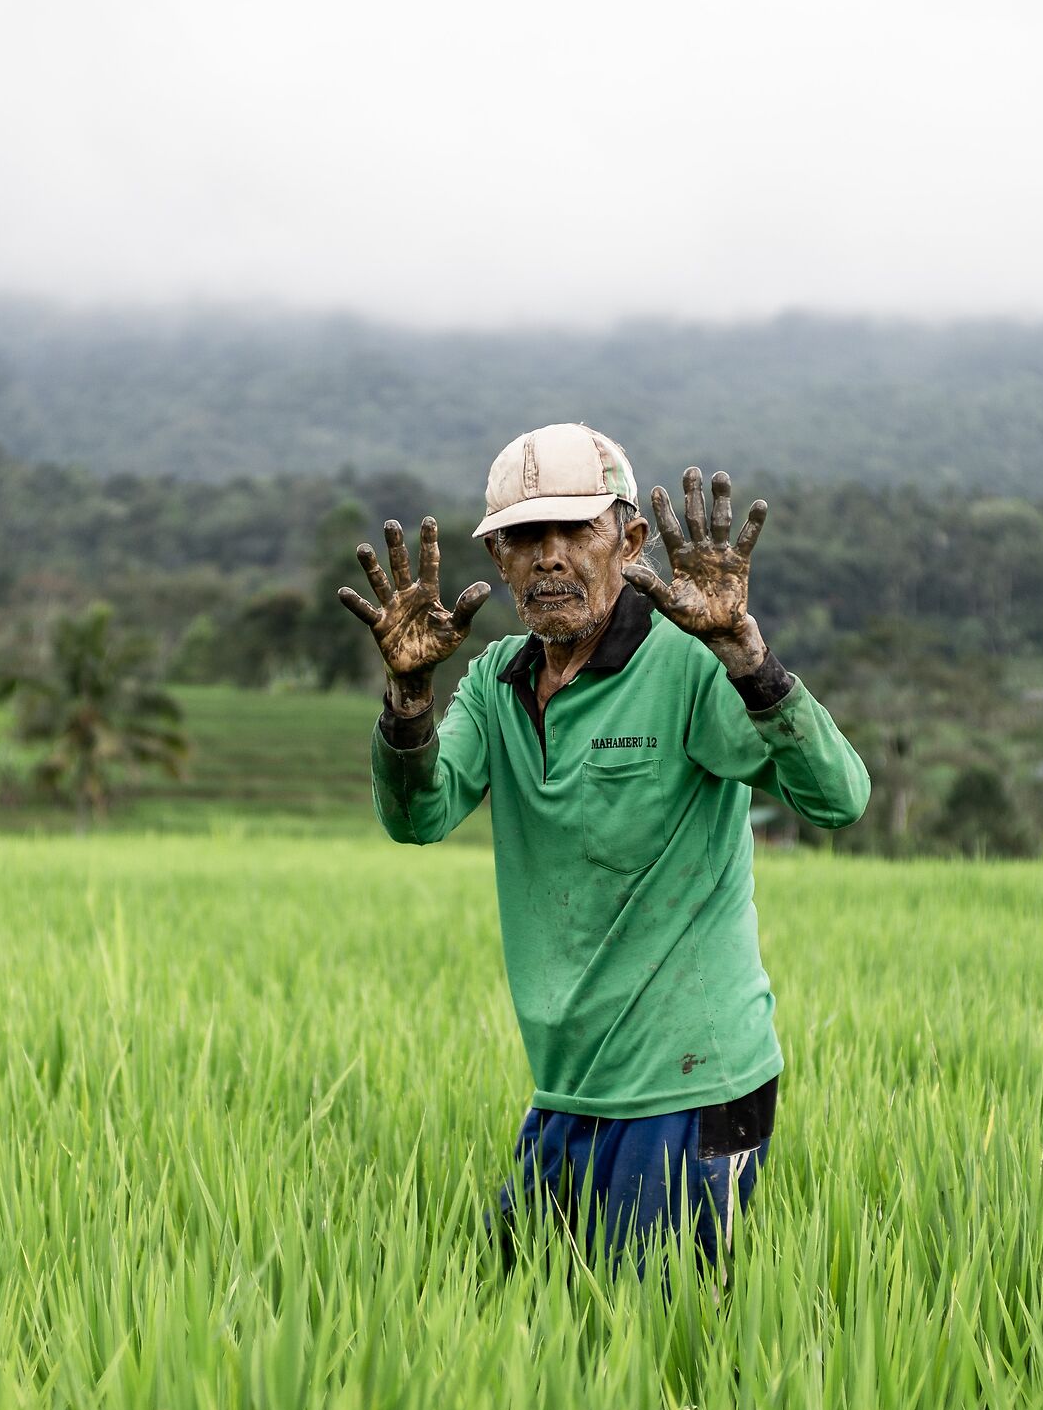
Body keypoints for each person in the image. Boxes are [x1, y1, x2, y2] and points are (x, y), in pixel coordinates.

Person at [336, 423, 870, 1269]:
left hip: (690, 1083)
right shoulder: (496, 683)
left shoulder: (688, 667)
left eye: (573, 531)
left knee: (657, 1356)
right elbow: (417, 817)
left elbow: (838, 799)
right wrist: (407, 697)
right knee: (518, 1319)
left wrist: (745, 654)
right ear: (500, 561)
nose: (548, 558)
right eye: (523, 537)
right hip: (570, 1085)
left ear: (628, 540)